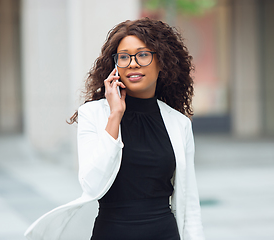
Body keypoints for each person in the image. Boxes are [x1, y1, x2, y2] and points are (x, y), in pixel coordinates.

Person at [25, 18, 205, 240]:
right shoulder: (93, 115)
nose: (132, 63)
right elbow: (92, 184)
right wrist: (115, 115)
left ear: (162, 62)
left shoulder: (179, 124)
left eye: (143, 54)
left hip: (164, 233)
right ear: (115, 66)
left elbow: (190, 201)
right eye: (124, 57)